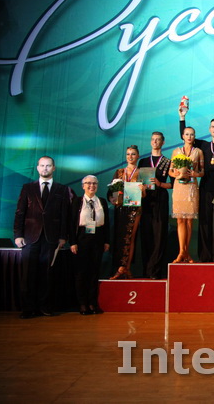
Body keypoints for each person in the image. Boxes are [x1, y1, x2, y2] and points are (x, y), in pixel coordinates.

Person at [13, 156, 70, 319]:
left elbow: (64, 215)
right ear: (37, 168)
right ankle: (28, 308)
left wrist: (63, 236)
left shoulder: (62, 189)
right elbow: (20, 212)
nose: (45, 168)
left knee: (48, 274)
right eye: (42, 165)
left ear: (54, 168)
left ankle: (45, 306)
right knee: (28, 274)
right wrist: (18, 235)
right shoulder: (28, 188)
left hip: (51, 238)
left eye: (48, 165)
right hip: (30, 237)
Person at [179, 100, 214, 263]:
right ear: (209, 129)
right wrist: (182, 118)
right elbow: (184, 135)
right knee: (205, 221)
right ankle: (205, 255)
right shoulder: (203, 145)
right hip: (205, 185)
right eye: (213, 127)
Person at [69, 175, 110, 315]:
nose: (91, 186)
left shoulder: (102, 201)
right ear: (83, 186)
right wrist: (73, 242)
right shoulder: (77, 201)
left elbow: (106, 223)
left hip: (98, 238)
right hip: (82, 238)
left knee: (94, 271)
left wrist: (106, 241)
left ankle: (92, 303)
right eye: (88, 183)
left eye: (94, 183)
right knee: (81, 272)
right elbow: (71, 223)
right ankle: (82, 303)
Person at [138, 131, 172, 279]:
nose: (155, 142)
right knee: (146, 234)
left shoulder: (167, 161)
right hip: (146, 199)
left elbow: (173, 184)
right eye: (153, 139)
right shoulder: (143, 161)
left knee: (159, 235)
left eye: (158, 140)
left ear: (163, 142)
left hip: (160, 199)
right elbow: (137, 181)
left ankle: (155, 271)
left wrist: (160, 184)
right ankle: (146, 269)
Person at [109, 145, 146, 279]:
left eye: (133, 154)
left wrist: (143, 190)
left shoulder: (142, 172)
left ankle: (126, 267)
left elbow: (145, 195)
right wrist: (113, 199)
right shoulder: (119, 172)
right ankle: (119, 267)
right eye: (128, 154)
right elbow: (112, 192)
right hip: (120, 208)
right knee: (119, 236)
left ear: (138, 156)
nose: (130, 157)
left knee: (130, 237)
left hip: (135, 209)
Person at [169, 126, 204, 263]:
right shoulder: (176, 151)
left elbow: (202, 171)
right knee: (180, 220)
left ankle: (186, 252)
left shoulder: (198, 152)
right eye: (187, 134)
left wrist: (196, 174)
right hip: (179, 187)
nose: (189, 137)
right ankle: (181, 252)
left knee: (189, 220)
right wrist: (176, 174)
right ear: (183, 136)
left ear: (194, 137)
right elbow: (170, 171)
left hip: (191, 187)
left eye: (192, 134)